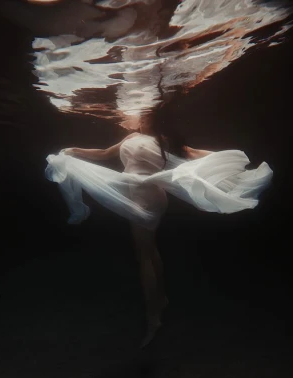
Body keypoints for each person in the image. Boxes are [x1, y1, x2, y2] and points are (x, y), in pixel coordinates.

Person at [45, 111, 273, 347]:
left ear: (153, 119)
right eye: (140, 118)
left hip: (148, 195)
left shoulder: (163, 139)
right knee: (149, 249)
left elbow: (192, 154)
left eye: (145, 117)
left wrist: (230, 164)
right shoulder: (130, 138)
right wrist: (74, 151)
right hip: (132, 191)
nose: (141, 121)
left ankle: (154, 318)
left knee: (143, 256)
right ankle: (161, 298)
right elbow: (103, 154)